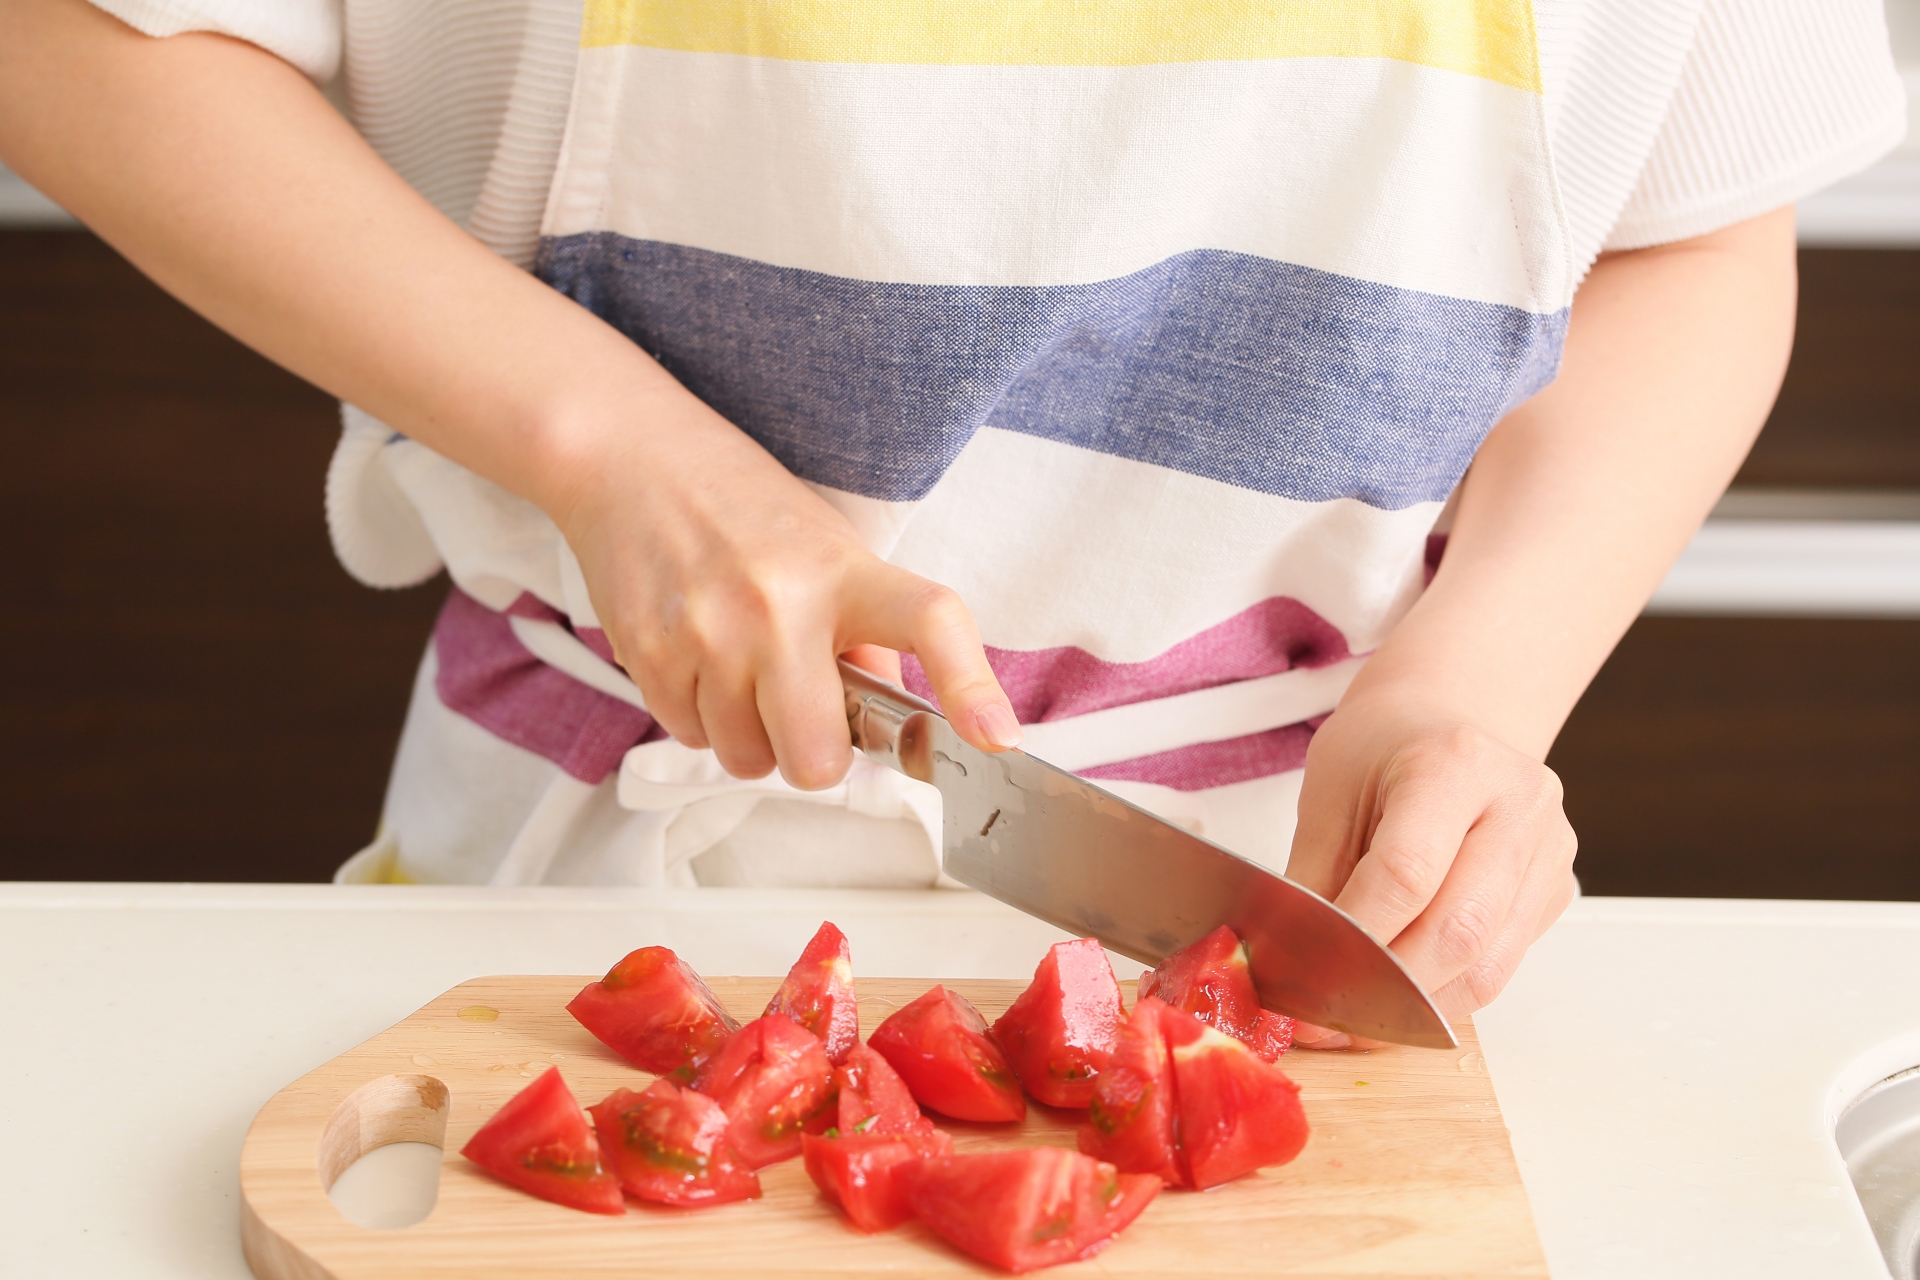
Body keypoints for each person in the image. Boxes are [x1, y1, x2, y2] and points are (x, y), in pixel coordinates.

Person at [0, 0, 1904, 1044]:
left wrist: (1480, 675)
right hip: (584, 886)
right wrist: (621, 456)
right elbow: (75, 31)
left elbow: (1695, 223)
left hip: (1285, 908)